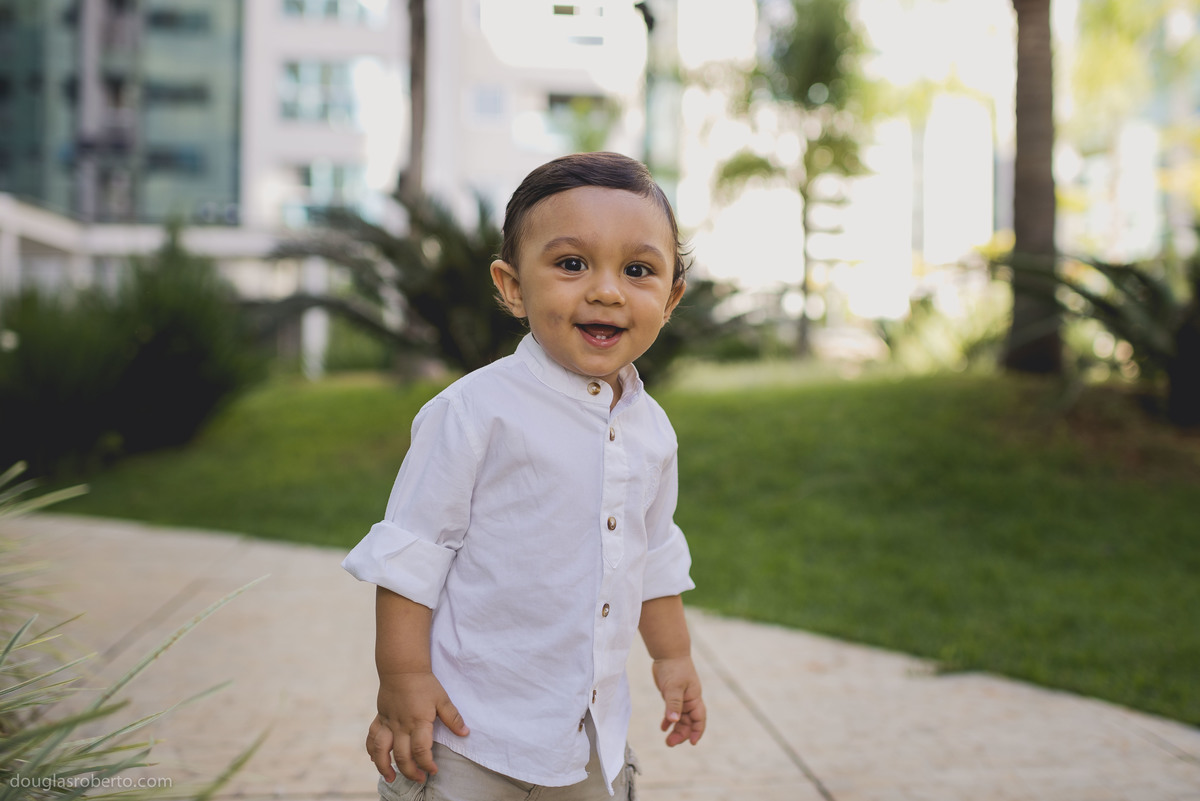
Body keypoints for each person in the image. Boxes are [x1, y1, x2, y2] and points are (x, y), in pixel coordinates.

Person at [342, 151, 707, 801]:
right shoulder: (475, 412)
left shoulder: (652, 431)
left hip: (587, 729)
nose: (606, 289)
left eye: (638, 269)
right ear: (513, 286)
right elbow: (412, 555)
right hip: (466, 731)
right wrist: (401, 679)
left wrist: (673, 657)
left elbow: (652, 554)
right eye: (571, 263)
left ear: (670, 298)